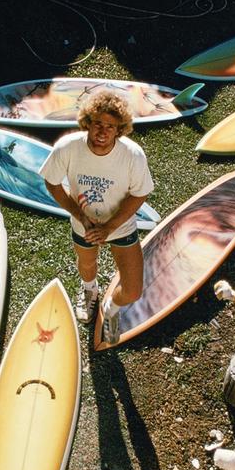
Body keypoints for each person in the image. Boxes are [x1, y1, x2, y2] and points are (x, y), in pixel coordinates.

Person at [39, 89, 154, 346]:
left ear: (119, 130)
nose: (103, 132)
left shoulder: (132, 155)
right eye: (98, 124)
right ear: (87, 122)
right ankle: (89, 290)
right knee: (87, 263)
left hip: (120, 227)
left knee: (133, 290)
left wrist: (110, 227)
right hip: (85, 224)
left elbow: (140, 194)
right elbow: (53, 183)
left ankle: (111, 307)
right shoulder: (68, 148)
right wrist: (79, 214)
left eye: (111, 127)